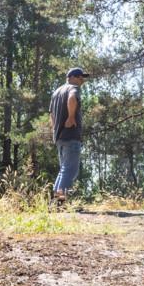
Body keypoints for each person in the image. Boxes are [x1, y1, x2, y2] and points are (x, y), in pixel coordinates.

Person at [49, 67, 90, 205]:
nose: (82, 80)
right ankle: (60, 203)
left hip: (59, 137)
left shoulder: (56, 92)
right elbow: (72, 98)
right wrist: (71, 117)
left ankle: (55, 202)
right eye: (80, 77)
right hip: (71, 134)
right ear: (72, 77)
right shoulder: (73, 88)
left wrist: (55, 130)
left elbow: (52, 115)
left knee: (64, 170)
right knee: (70, 171)